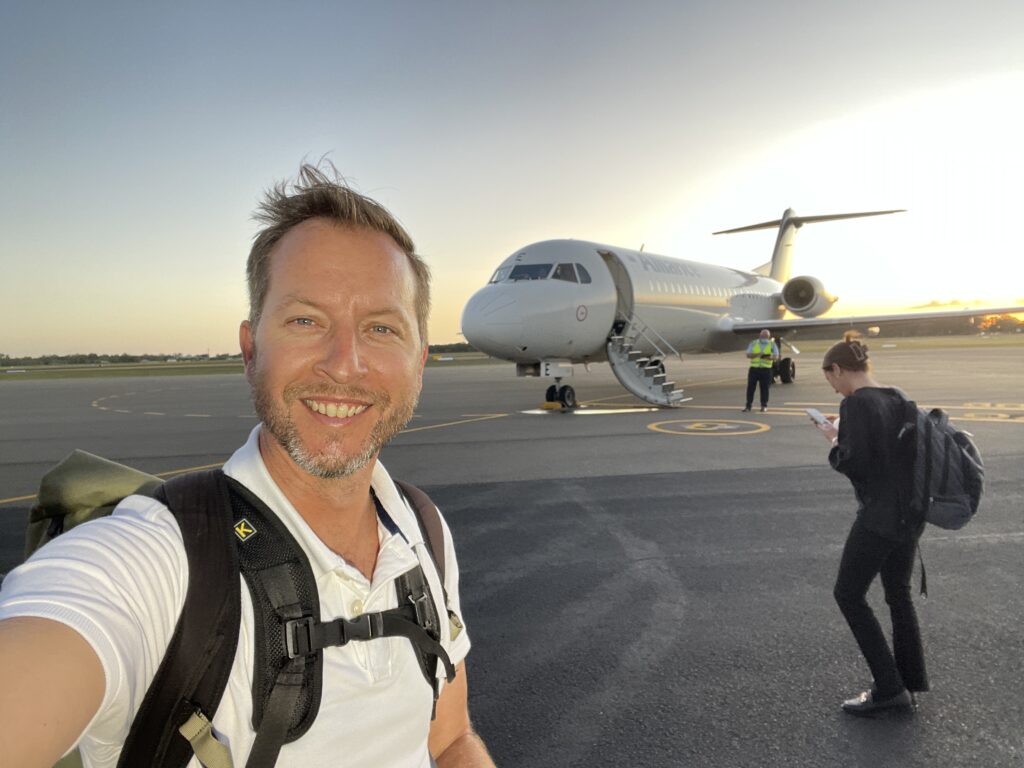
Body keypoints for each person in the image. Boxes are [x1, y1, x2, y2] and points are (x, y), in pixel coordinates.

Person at [0, 164, 496, 767]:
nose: (345, 364)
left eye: (381, 328)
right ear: (250, 349)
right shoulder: (163, 560)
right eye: (305, 321)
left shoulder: (424, 530)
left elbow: (449, 740)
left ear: (419, 361)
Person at [811, 332, 927, 715]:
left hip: (878, 517)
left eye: (831, 379)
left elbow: (856, 464)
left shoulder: (857, 404)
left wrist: (832, 439)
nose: (833, 388)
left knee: (848, 594)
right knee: (898, 592)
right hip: (911, 514)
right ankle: (910, 680)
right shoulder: (897, 397)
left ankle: (890, 688)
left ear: (839, 369)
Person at [742, 329, 779, 412]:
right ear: (760, 336)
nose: (764, 338)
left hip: (766, 370)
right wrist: (758, 354)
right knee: (751, 388)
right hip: (754, 369)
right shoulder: (754, 343)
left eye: (766, 336)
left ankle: (764, 405)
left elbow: (776, 356)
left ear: (768, 337)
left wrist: (768, 357)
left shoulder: (772, 344)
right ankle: (748, 406)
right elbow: (748, 355)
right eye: (763, 336)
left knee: (765, 388)